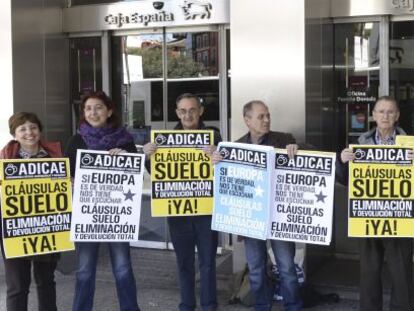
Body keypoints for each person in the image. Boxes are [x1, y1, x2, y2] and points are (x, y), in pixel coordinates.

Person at [212, 100, 302, 311]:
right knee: (255, 268)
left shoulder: (284, 139)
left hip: (279, 217)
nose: (267, 120)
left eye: (268, 115)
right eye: (261, 116)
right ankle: (262, 306)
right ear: (247, 120)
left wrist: (297, 148)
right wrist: (217, 161)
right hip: (251, 219)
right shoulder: (235, 147)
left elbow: (308, 153)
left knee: (287, 267)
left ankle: (293, 306)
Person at [143, 93, 220, 311]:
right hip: (178, 214)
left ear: (200, 111)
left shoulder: (214, 136)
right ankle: (186, 305)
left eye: (192, 110)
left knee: (207, 264)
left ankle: (209, 306)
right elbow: (159, 174)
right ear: (177, 113)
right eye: (183, 111)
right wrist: (149, 157)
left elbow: (225, 169)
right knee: (184, 264)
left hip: (206, 213)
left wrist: (218, 155)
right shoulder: (164, 140)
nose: (188, 115)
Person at [65, 91, 140, 311]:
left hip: (117, 217)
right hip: (87, 215)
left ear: (109, 111)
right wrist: (73, 182)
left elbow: (133, 176)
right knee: (85, 270)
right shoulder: (76, 140)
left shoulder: (125, 142)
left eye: (98, 107)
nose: (93, 112)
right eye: (88, 108)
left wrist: (124, 160)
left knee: (123, 268)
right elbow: (68, 178)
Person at [339, 96, 413, 311]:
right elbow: (347, 181)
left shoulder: (409, 144)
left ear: (397, 116)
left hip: (399, 217)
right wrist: (342, 163)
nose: (385, 116)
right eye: (381, 111)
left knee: (401, 273)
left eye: (390, 112)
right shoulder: (361, 143)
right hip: (368, 216)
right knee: (369, 273)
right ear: (373, 116)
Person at [0, 112, 62, 311]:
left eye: (33, 127)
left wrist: (70, 184)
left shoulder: (55, 157)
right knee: (17, 286)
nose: (29, 132)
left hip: (48, 228)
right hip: (15, 229)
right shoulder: (4, 160)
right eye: (23, 129)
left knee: (46, 281)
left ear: (40, 130)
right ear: (14, 134)